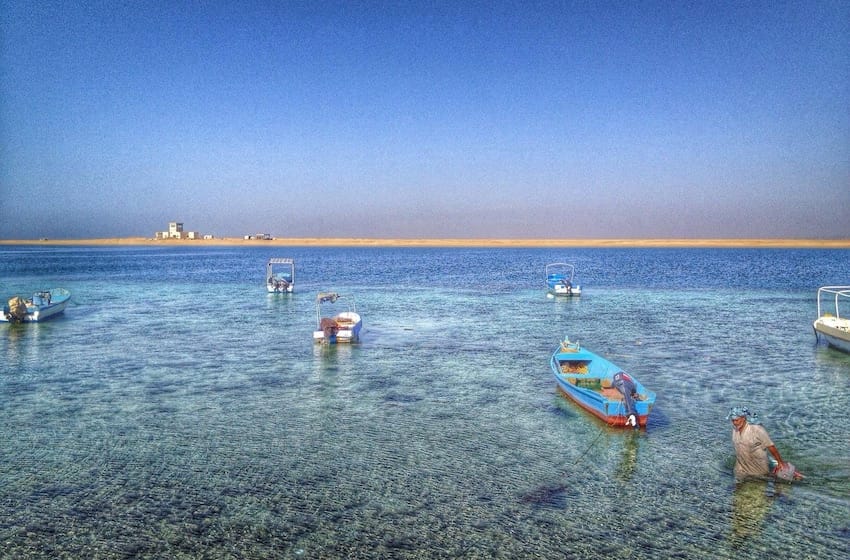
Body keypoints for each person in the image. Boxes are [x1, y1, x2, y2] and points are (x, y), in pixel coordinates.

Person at [727, 407, 803, 481]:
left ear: (743, 418)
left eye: (737, 420)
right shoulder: (735, 429)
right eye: (733, 420)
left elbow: (771, 446)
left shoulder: (757, 429)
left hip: (757, 468)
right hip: (740, 467)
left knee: (759, 486)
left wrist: (780, 463)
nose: (734, 423)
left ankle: (793, 475)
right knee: (737, 489)